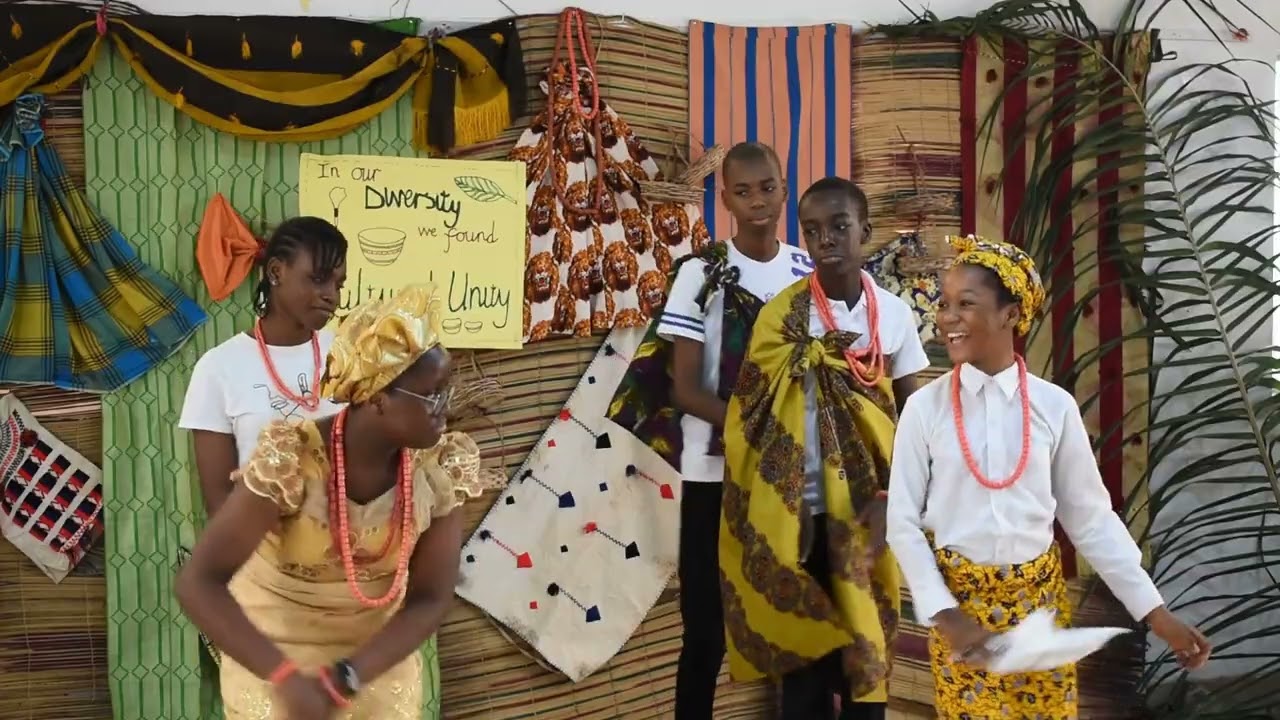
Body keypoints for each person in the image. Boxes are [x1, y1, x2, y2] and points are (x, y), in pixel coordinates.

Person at [885, 235, 1212, 718]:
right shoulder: (924, 409)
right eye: (945, 304)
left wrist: (1155, 613)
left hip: (1040, 619)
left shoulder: (1052, 407)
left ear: (1011, 315)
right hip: (962, 623)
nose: (947, 318)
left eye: (965, 304)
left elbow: (1091, 520)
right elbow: (903, 524)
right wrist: (946, 614)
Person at [175, 284, 502, 719]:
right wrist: (286, 678)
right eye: (432, 394)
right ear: (378, 398)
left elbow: (429, 598)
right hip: (274, 658)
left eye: (447, 390)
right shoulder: (291, 461)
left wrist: (346, 676)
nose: (446, 406)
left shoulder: (437, 469)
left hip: (372, 662)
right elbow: (199, 583)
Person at [607, 141, 814, 720]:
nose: (757, 202)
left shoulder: (805, 271)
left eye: (767, 188)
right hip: (714, 474)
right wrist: (763, 427)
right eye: (742, 192)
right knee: (705, 630)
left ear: (783, 188)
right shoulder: (701, 273)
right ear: (723, 199)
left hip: (790, 477)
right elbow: (685, 388)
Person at [720, 177, 930, 720]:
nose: (825, 240)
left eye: (839, 227)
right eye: (812, 231)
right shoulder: (781, 316)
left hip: (867, 512)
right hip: (798, 515)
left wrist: (903, 496)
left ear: (865, 230)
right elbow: (749, 414)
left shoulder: (895, 315)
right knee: (805, 676)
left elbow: (916, 418)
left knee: (867, 657)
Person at [179, 216, 348, 515]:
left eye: (338, 284)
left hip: (347, 547)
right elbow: (220, 501)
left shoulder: (350, 354)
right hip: (263, 552)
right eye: (318, 278)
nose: (331, 295)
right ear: (276, 272)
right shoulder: (218, 368)